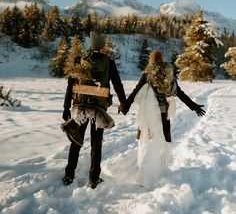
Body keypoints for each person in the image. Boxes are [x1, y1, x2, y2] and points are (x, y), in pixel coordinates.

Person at [118, 50, 205, 190]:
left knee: (150, 141)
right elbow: (180, 93)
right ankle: (160, 170)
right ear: (162, 60)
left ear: (152, 61)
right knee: (163, 140)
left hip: (152, 113)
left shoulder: (148, 72)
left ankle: (146, 175)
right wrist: (193, 106)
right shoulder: (169, 72)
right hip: (165, 112)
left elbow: (137, 89)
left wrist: (126, 105)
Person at [62, 31, 126, 188]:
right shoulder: (108, 62)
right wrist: (123, 103)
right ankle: (93, 178)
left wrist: (65, 107)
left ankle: (69, 175)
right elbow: (117, 84)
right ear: (103, 46)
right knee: (96, 143)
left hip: (80, 106)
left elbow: (70, 84)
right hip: (98, 108)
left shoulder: (80, 60)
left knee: (76, 140)